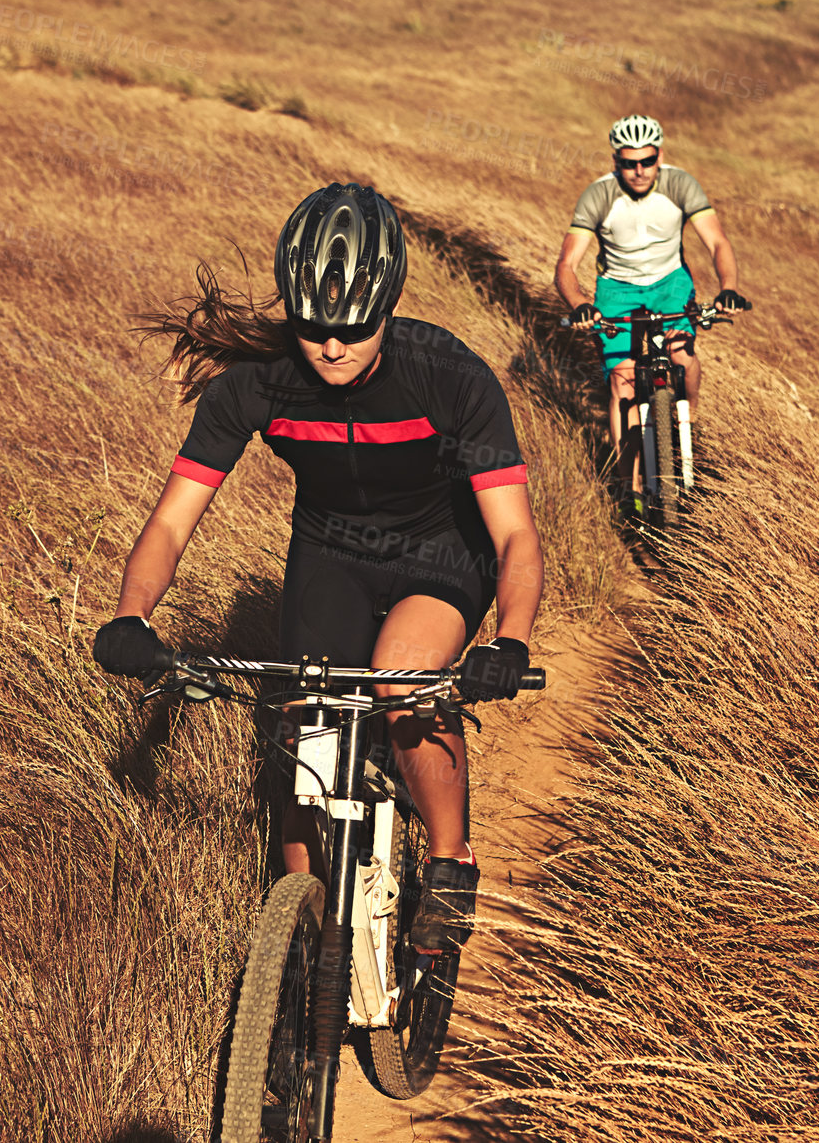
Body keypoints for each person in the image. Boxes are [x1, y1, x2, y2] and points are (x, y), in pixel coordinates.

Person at [91, 183, 544, 956]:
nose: (332, 347)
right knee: (303, 727)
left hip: (439, 555)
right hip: (329, 554)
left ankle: (448, 859)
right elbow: (171, 520)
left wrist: (511, 638)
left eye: (354, 329)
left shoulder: (451, 376)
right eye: (313, 328)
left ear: (388, 306)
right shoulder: (258, 385)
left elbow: (515, 538)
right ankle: (302, 953)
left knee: (402, 680)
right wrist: (132, 615)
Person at [553, 114, 748, 504]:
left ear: (660, 156)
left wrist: (728, 289)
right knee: (622, 380)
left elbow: (717, 243)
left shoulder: (680, 184)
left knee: (681, 351)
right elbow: (566, 265)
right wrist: (579, 304)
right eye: (629, 162)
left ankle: (686, 415)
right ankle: (631, 489)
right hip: (617, 290)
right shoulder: (599, 195)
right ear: (616, 160)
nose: (639, 171)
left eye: (647, 161)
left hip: (669, 284)